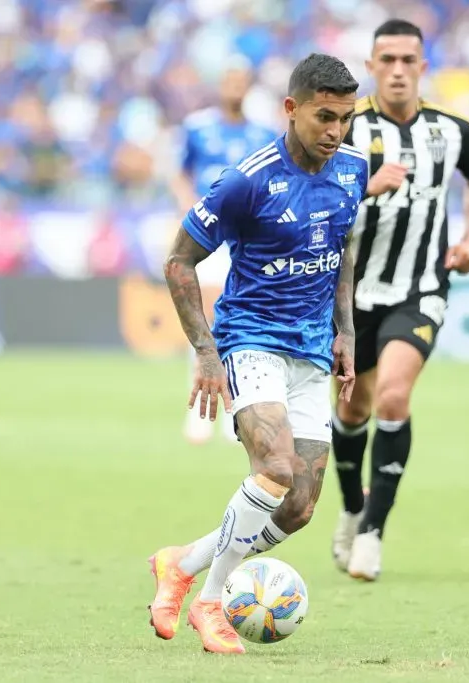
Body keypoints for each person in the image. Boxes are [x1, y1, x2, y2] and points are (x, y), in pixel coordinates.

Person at [146, 53, 368, 654]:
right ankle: (211, 602)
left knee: (298, 506)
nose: (336, 131)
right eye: (324, 117)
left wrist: (346, 330)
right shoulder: (247, 180)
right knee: (274, 470)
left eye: (345, 118)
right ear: (291, 109)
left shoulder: (353, 170)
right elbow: (179, 261)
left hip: (312, 350)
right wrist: (206, 352)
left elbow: (343, 248)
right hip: (252, 339)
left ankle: (181, 564)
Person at [328, 18, 469, 582]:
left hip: (420, 288)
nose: (398, 71)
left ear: (422, 68)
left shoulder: (454, 131)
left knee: (393, 397)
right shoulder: (345, 129)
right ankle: (352, 508)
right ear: (371, 67)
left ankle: (372, 532)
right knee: (352, 408)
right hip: (349, 295)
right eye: (388, 60)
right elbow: (313, 192)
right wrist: (364, 186)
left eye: (408, 61)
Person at [170, 56, 278, 445]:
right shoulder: (197, 128)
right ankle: (199, 409)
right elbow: (179, 173)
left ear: (249, 85)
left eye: (241, 80)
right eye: (229, 79)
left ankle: (238, 407)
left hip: (247, 240)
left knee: (239, 318)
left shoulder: (264, 134)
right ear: (220, 84)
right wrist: (190, 210)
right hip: (208, 237)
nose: (235, 86)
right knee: (203, 315)